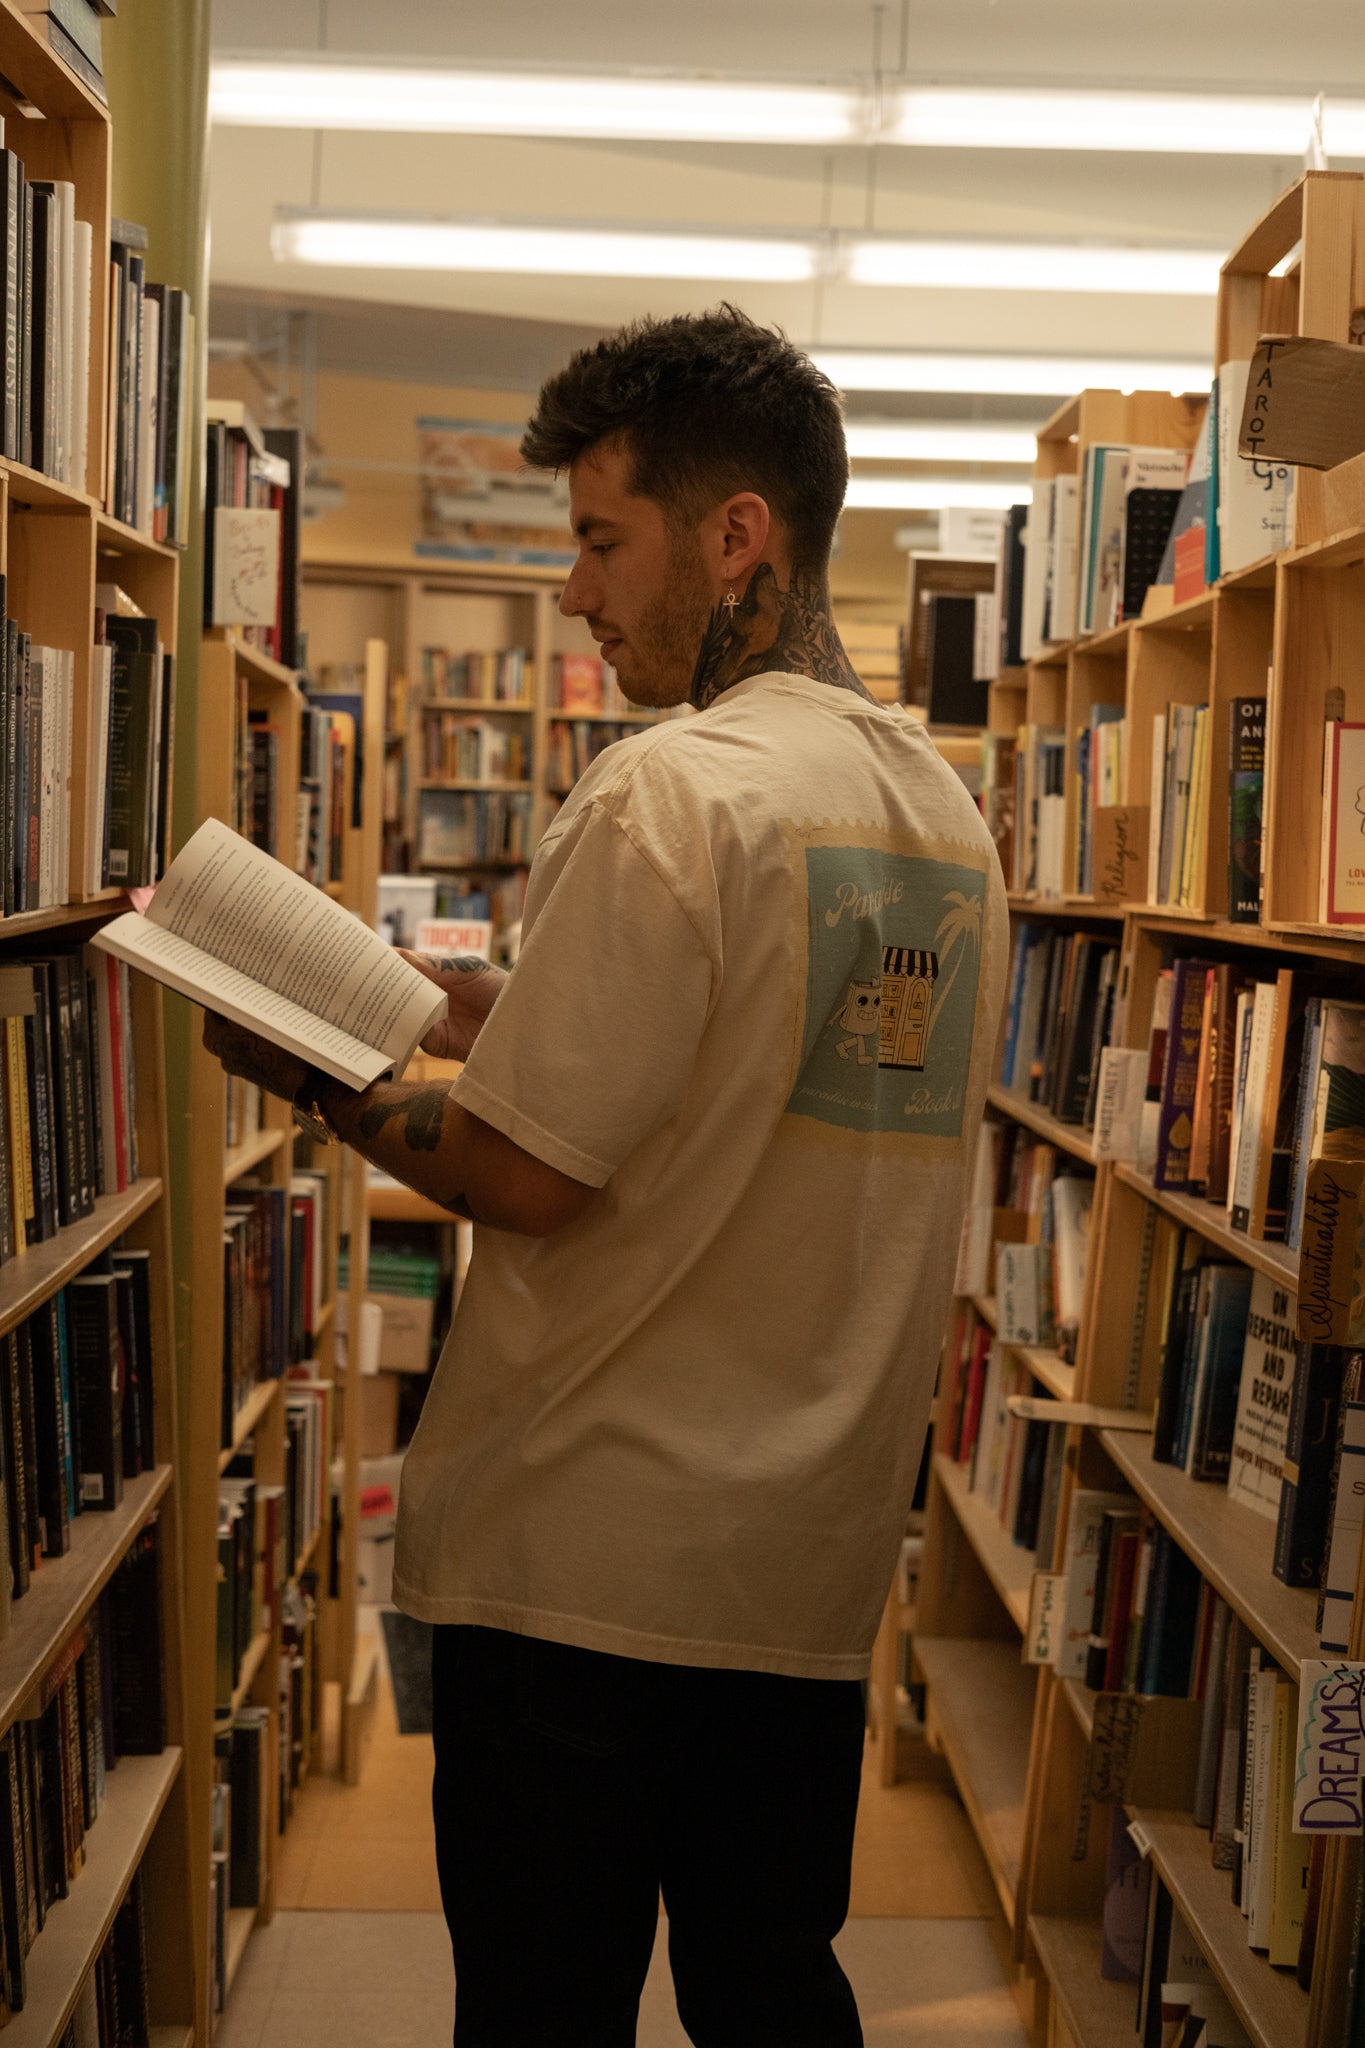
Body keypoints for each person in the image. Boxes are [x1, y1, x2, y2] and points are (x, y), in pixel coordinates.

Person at [205, 305, 1008, 2048]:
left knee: (542, 2010)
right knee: (767, 1987)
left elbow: (516, 1171)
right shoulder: (944, 820)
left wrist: (321, 1070)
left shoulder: (669, 795)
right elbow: (725, 1056)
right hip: (793, 1570)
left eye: (598, 538)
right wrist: (442, 1000)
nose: (572, 591)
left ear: (739, 541)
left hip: (582, 1570)